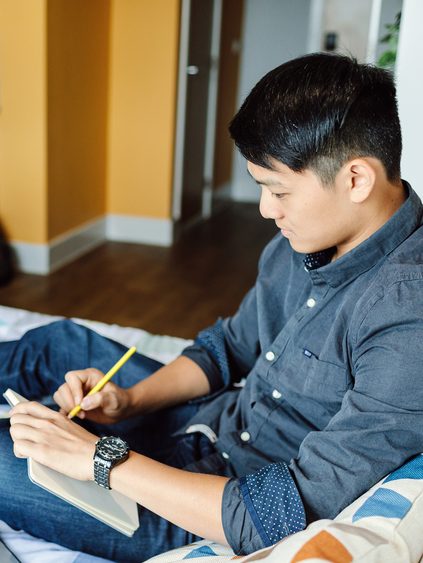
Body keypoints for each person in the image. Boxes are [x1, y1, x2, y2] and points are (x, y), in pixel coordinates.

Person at [1, 52, 423, 562]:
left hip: (214, 500)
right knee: (60, 342)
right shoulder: (311, 238)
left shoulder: (406, 316)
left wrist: (98, 457)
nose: (268, 210)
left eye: (278, 190)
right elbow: (230, 346)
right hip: (213, 421)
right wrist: (129, 402)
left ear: (356, 179)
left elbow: (276, 513)